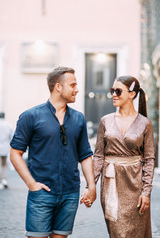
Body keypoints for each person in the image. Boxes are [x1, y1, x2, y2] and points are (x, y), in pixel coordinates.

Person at [10, 66, 96, 238]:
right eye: (72, 85)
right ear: (58, 87)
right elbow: (15, 154)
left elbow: (85, 155)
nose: (77, 89)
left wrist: (91, 186)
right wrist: (32, 184)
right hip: (42, 194)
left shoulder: (79, 118)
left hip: (70, 194)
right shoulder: (30, 116)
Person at [92, 76, 155, 238]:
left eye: (118, 91)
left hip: (136, 186)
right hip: (111, 184)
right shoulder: (105, 121)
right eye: (112, 91)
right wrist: (90, 186)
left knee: (136, 233)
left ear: (132, 94)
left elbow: (149, 160)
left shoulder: (145, 123)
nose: (114, 94)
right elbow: (98, 156)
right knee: (117, 232)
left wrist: (146, 192)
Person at [0, 112, 13, 189]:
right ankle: (4, 179)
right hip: (5, 147)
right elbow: (11, 137)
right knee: (4, 164)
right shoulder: (8, 125)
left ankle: (0, 181)